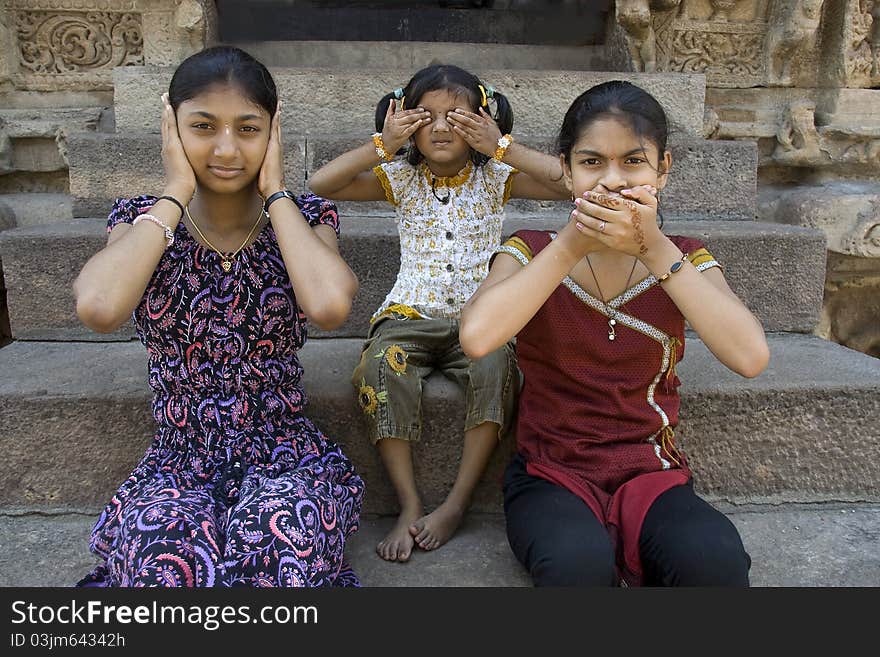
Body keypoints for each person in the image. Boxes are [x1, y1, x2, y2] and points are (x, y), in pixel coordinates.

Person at [72, 46, 364, 587]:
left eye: (248, 128)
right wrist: (176, 190)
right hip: (178, 458)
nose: (226, 148)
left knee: (279, 563)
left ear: (273, 132)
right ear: (171, 126)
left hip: (283, 455)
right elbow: (98, 306)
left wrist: (277, 192)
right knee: (166, 573)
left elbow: (329, 305)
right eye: (203, 126)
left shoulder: (307, 218)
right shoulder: (143, 221)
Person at [459, 80, 769, 586]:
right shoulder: (532, 248)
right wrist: (570, 246)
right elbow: (477, 336)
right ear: (565, 168)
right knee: (575, 567)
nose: (612, 181)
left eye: (633, 162)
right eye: (591, 163)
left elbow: (750, 356)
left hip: (650, 473)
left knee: (715, 561)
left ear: (662, 169)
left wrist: (653, 249)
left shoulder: (684, 257)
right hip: (551, 473)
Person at [308, 63, 569, 562]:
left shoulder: (497, 176)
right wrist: (382, 144)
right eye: (425, 116)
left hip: (479, 319)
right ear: (405, 121)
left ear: (484, 122)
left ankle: (456, 502)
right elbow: (323, 184)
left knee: (497, 367)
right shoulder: (400, 178)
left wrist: (502, 146)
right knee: (379, 369)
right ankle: (409, 502)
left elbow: (570, 184)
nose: (443, 127)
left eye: (459, 116)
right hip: (407, 315)